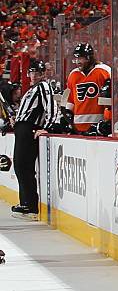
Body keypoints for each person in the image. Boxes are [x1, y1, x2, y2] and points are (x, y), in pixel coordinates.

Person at [11, 59, 57, 219]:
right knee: (19, 165)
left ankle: (30, 206)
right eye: (31, 72)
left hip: (29, 129)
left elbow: (51, 107)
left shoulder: (43, 86)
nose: (33, 75)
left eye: (37, 72)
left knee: (23, 166)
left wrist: (47, 127)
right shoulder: (32, 89)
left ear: (43, 73)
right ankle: (26, 203)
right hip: (22, 129)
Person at [64, 43, 111, 133]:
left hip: (99, 126)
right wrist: (67, 114)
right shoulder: (73, 74)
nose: (77, 62)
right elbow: (70, 100)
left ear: (89, 58)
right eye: (76, 58)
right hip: (77, 126)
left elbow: (113, 97)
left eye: (80, 58)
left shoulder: (104, 71)